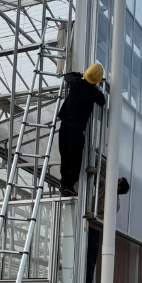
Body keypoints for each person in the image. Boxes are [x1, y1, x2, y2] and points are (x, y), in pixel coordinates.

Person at [58, 63, 105, 195]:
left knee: (65, 157)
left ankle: (63, 184)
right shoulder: (94, 93)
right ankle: (69, 185)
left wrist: (78, 75)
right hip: (76, 130)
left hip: (64, 126)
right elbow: (102, 100)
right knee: (75, 159)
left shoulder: (75, 83)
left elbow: (68, 76)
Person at [85, 175, 130, 283]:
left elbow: (106, 219)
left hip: (94, 228)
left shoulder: (115, 204)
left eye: (118, 180)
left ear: (119, 188)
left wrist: (94, 216)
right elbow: (98, 180)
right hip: (84, 222)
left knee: (90, 257)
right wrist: (94, 172)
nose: (114, 179)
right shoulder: (105, 185)